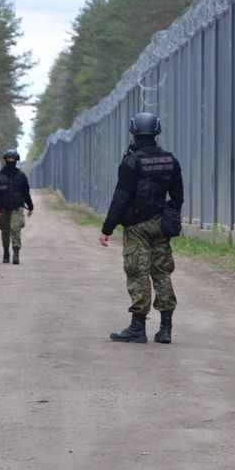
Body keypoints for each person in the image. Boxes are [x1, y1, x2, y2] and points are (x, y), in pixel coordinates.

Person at [99, 112, 183, 345]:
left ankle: (138, 328)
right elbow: (177, 196)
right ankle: (165, 329)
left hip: (136, 226)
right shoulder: (170, 160)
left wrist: (107, 228)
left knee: (138, 272)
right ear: (156, 131)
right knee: (162, 273)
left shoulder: (131, 162)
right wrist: (168, 216)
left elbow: (121, 198)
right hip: (161, 225)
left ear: (134, 131)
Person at [0, 149, 33, 265]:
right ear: (5, 160)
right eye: (9, 159)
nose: (10, 161)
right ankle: (6, 252)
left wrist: (30, 207)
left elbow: (26, 193)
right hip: (3, 209)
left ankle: (16, 253)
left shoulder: (21, 176)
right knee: (5, 231)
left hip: (17, 208)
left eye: (13, 159)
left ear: (16, 160)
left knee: (15, 229)